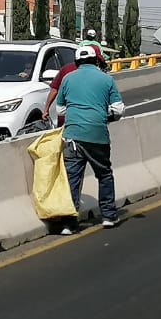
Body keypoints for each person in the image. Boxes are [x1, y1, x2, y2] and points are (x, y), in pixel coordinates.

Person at [55, 44, 124, 232]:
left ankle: (68, 223)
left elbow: (60, 110)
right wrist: (107, 116)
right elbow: (118, 109)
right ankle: (109, 216)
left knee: (72, 179)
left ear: (77, 62)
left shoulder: (68, 79)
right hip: (98, 135)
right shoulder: (106, 79)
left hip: (72, 137)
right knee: (104, 174)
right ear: (96, 60)